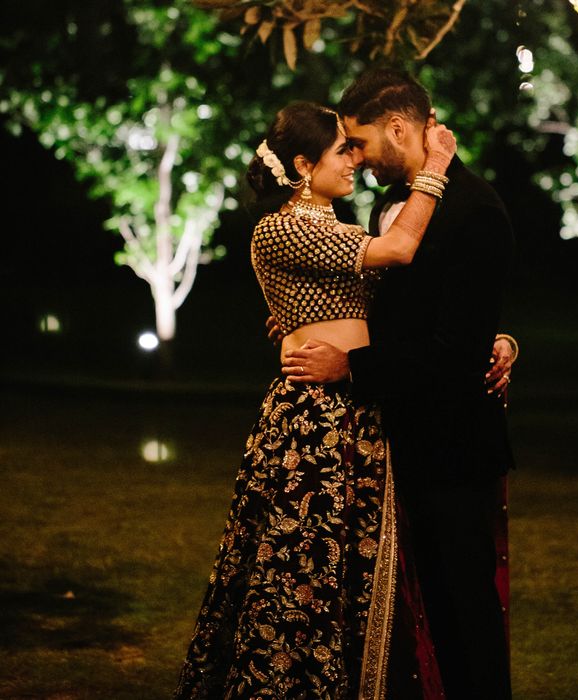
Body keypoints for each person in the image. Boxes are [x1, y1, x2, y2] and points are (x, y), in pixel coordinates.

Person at [174, 101, 456, 699]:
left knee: (352, 572)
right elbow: (399, 250)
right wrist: (436, 166)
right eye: (340, 151)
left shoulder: (330, 226)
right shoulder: (285, 226)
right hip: (313, 425)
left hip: (357, 411)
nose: (354, 160)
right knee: (302, 574)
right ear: (304, 165)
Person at [281, 70, 516, 699]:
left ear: (398, 128)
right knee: (409, 624)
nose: (352, 158)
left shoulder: (476, 210)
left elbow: (451, 349)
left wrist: (351, 368)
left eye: (357, 143)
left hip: (451, 450)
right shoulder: (384, 209)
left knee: (466, 617)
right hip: (386, 448)